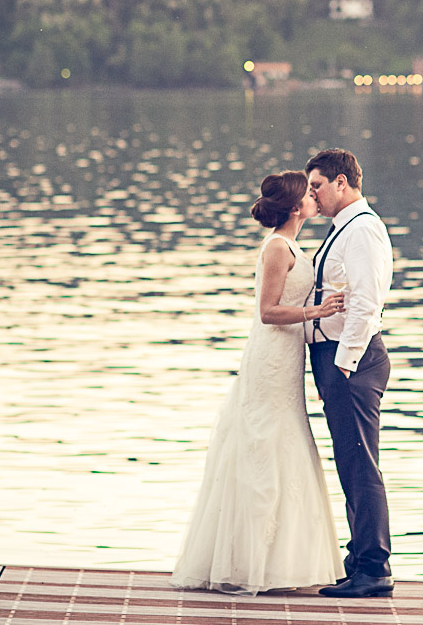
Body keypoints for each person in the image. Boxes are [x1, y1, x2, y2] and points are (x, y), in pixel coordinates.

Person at [170, 170, 346, 595]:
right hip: (270, 355)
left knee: (286, 441)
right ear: (293, 207)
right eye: (308, 194)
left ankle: (284, 563)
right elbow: (267, 311)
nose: (314, 198)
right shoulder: (276, 248)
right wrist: (316, 313)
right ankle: (253, 563)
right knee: (265, 443)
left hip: (289, 357)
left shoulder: (294, 246)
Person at [304, 148, 395, 599]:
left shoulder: (362, 230)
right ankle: (359, 559)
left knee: (361, 466)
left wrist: (343, 363)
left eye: (318, 185)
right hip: (338, 358)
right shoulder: (342, 229)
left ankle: (374, 569)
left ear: (342, 182)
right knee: (350, 463)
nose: (312, 195)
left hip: (351, 360)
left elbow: (365, 302)